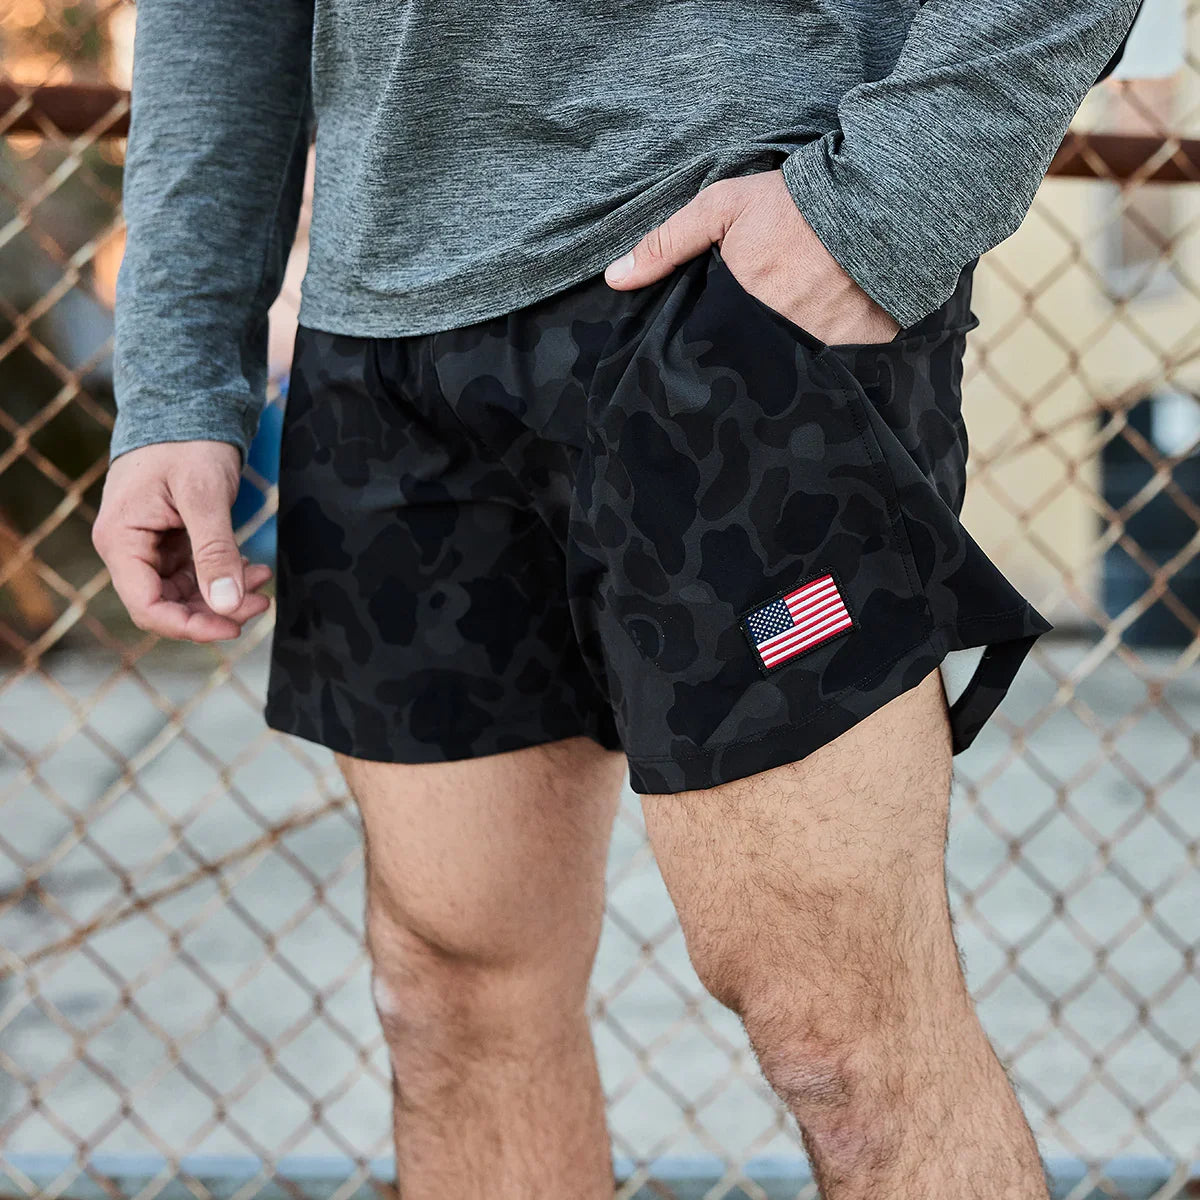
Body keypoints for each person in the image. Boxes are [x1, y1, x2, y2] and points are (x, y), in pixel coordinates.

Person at [92, 2, 1140, 1195]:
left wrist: (891, 201)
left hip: (734, 272)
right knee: (451, 995)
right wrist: (177, 378)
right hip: (387, 325)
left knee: (838, 1038)